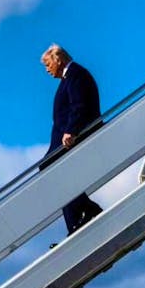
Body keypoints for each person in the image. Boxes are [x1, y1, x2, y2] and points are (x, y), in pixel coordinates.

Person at [40, 44, 103, 236]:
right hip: (62, 138)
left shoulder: (76, 74)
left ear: (57, 59)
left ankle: (78, 219)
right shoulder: (68, 78)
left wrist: (71, 130)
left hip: (69, 137)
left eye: (47, 64)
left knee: (54, 171)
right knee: (55, 175)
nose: (47, 69)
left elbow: (79, 105)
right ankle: (80, 215)